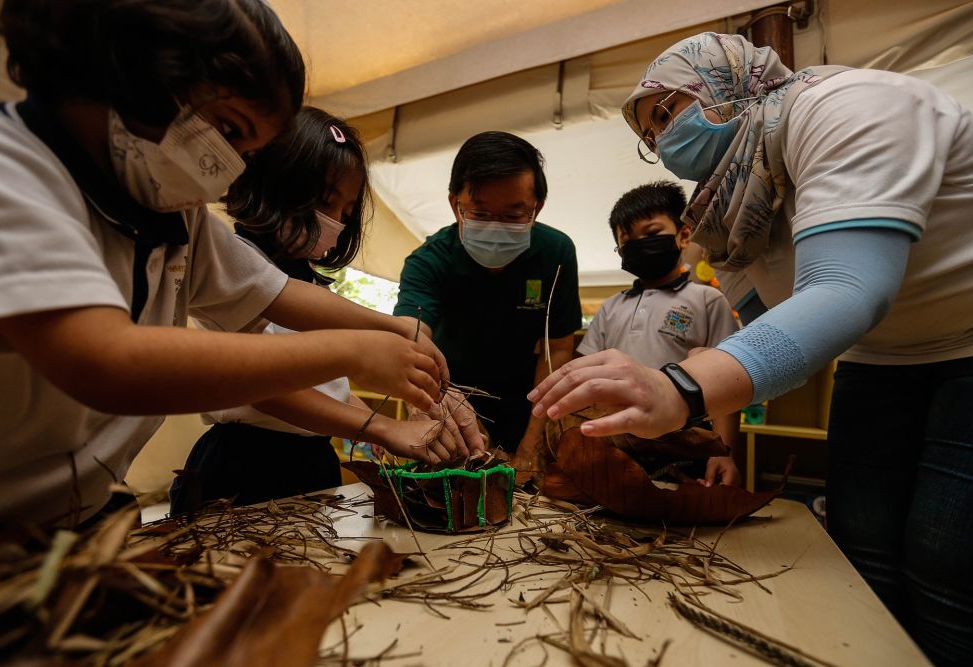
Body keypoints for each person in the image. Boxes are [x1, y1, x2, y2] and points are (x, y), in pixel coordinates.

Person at [529, 32, 973, 664]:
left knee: (947, 556)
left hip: (967, 343)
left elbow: (846, 289)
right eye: (650, 132)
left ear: (729, 81)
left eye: (667, 111)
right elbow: (778, 334)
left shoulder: (841, 106)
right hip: (878, 359)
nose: (661, 142)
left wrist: (678, 389)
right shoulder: (727, 206)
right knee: (861, 542)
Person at [0, 0, 463, 529]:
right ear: (130, 68)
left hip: (78, 514)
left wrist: (398, 329)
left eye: (245, 154)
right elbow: (106, 361)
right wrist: (353, 351)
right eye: (229, 130)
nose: (226, 176)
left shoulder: (174, 217)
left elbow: (275, 294)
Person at [170, 108, 484, 514]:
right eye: (324, 202)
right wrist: (381, 426)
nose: (334, 222)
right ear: (270, 180)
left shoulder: (310, 285)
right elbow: (262, 389)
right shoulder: (230, 264)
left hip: (313, 460)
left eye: (345, 212)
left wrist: (386, 420)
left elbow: (326, 385)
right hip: (244, 466)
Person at [394, 131, 582, 453]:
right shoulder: (429, 261)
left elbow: (558, 348)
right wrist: (427, 400)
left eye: (513, 216)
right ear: (455, 204)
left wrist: (531, 443)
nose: (495, 228)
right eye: (480, 214)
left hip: (530, 406)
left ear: (536, 209)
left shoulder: (556, 253)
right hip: (450, 402)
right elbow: (411, 338)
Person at [578, 181, 740, 486]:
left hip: (687, 441)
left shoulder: (707, 300)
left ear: (683, 235)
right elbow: (588, 377)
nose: (640, 245)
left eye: (651, 234)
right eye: (627, 240)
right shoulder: (611, 306)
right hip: (617, 441)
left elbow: (730, 385)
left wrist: (724, 452)